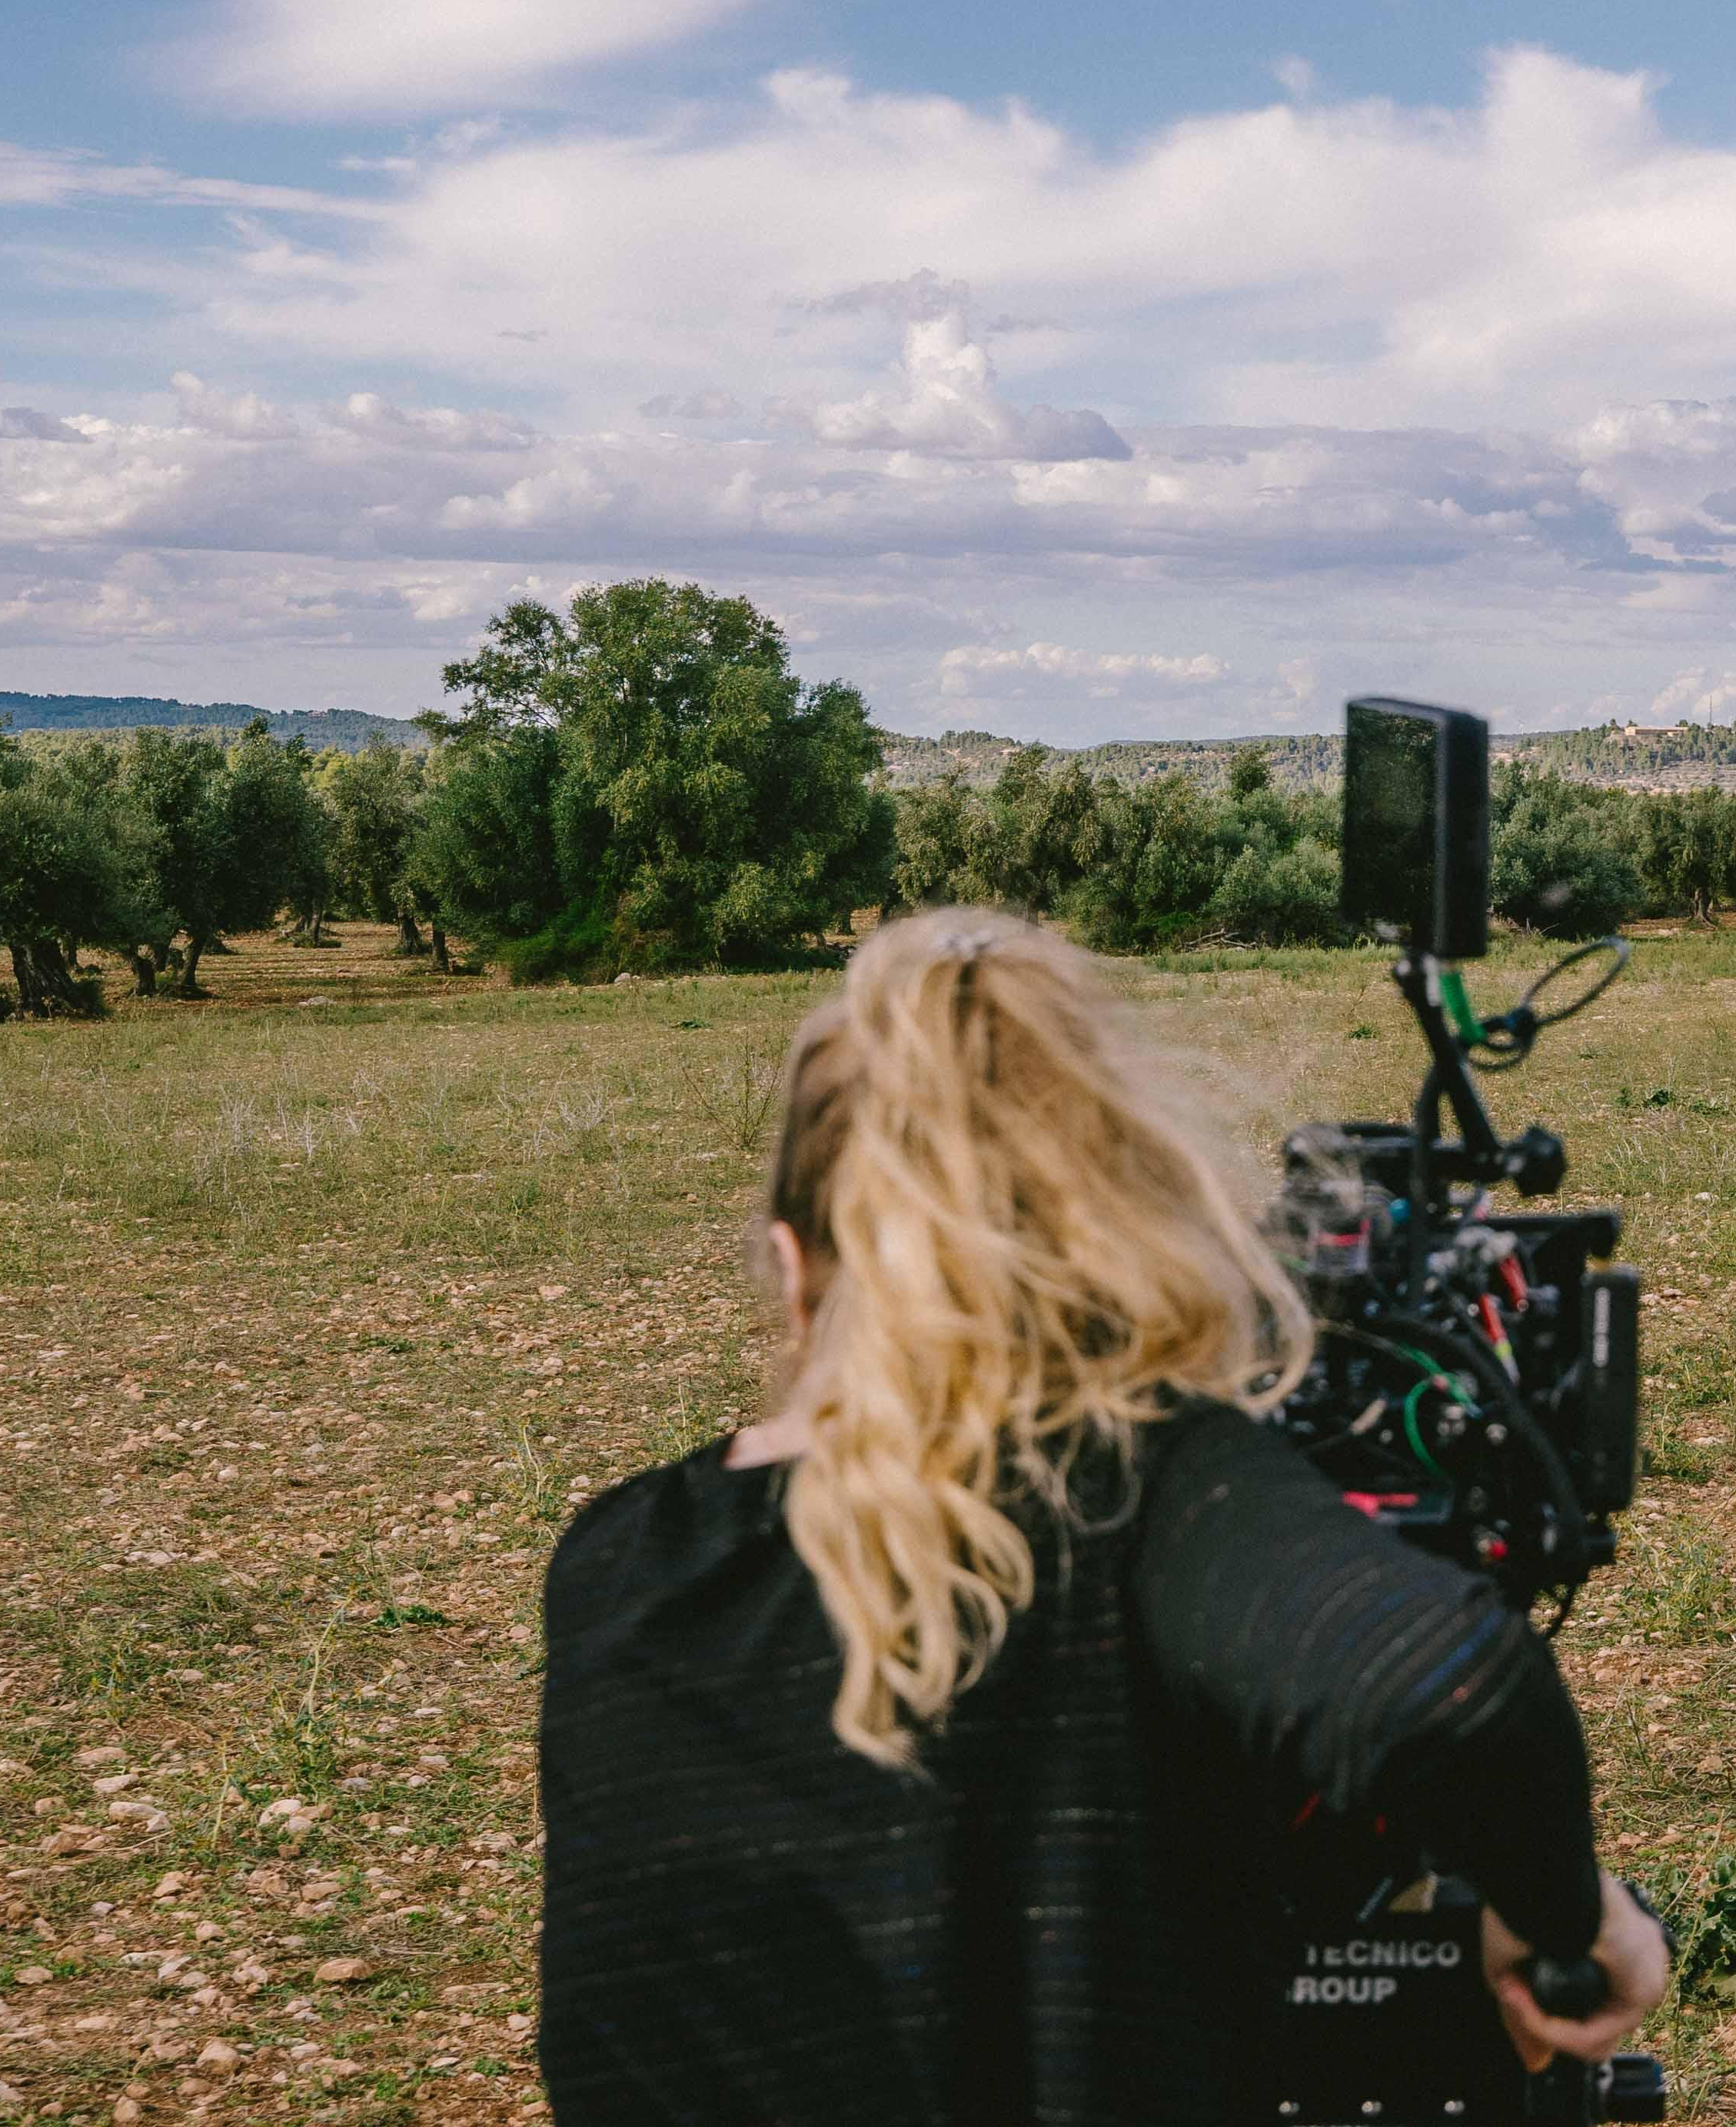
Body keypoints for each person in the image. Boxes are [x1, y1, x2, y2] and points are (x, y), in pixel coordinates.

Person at [536, 908, 1668, 2124]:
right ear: (1129, 1232)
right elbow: (1457, 1693)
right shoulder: (1152, 1502)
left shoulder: (616, 1564)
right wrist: (1561, 1912)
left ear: (794, 1266)